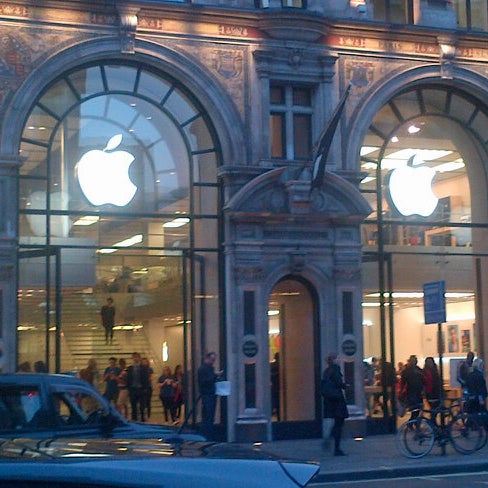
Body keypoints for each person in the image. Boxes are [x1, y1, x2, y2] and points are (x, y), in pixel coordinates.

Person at [321, 353, 349, 456]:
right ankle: (336, 447)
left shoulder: (326, 371)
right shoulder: (335, 370)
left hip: (330, 400)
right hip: (337, 400)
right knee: (339, 423)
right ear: (333, 360)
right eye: (337, 358)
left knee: (335, 422)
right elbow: (338, 383)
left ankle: (330, 438)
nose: (339, 360)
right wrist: (345, 385)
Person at [197, 352, 222, 440]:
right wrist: (215, 375)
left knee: (209, 415)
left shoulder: (207, 369)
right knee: (208, 415)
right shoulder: (203, 369)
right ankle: (207, 434)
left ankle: (207, 434)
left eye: (214, 360)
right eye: (212, 360)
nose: (212, 362)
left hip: (209, 394)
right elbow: (204, 382)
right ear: (207, 359)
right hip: (207, 394)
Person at [127, 352, 150, 422]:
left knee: (142, 406)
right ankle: (134, 419)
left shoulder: (143, 368)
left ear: (139, 358)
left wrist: (145, 388)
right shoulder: (130, 368)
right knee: (133, 406)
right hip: (133, 389)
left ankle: (143, 419)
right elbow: (128, 379)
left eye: (137, 357)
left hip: (141, 389)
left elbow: (146, 378)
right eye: (134, 357)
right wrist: (129, 389)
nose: (135, 359)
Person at [400, 355, 424, 420]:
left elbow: (403, 383)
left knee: (415, 410)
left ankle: (413, 423)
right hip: (415, 392)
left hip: (412, 392)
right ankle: (413, 423)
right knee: (417, 409)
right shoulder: (418, 370)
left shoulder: (406, 371)